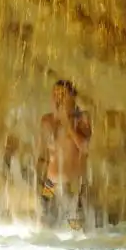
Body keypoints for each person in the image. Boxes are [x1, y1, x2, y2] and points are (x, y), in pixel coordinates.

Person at [36, 79, 92, 230]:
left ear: (73, 97)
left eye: (62, 94)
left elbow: (85, 147)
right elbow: (44, 153)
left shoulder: (82, 119)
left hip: (73, 183)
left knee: (76, 230)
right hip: (50, 183)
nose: (57, 98)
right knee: (45, 224)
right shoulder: (46, 120)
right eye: (54, 94)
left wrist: (68, 124)